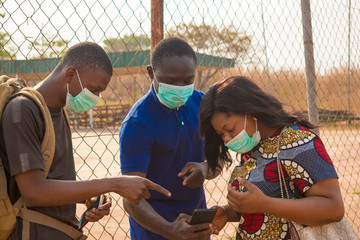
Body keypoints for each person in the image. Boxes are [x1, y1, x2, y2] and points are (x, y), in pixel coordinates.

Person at [0, 42, 170, 240]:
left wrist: (85, 196)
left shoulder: (56, 111)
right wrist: (112, 184)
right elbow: (33, 191)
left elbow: (52, 179)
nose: (96, 97)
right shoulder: (23, 110)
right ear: (70, 74)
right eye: (94, 89)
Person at [199, 76, 344, 240]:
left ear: (250, 111)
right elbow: (259, 209)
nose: (226, 139)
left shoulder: (296, 141)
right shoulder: (253, 147)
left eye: (230, 129)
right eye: (221, 134)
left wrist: (265, 204)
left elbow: (334, 208)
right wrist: (227, 212)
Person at [119, 37, 220, 240]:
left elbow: (219, 163)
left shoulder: (202, 104)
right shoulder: (138, 123)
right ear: (151, 73)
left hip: (196, 226)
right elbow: (131, 199)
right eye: (171, 81)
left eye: (187, 80)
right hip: (155, 230)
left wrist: (204, 169)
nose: (180, 88)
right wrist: (169, 230)